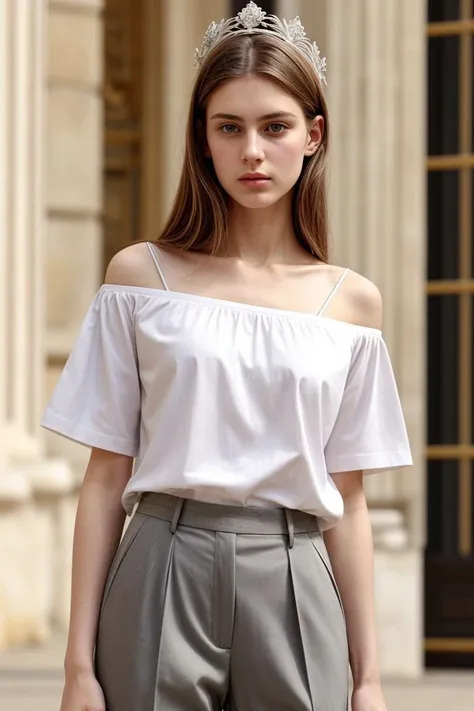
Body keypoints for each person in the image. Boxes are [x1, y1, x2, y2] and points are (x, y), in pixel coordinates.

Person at [42, 3, 413, 710]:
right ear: (202, 141)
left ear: (313, 135)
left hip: (296, 577)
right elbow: (104, 475)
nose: (252, 151)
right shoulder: (138, 280)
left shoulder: (351, 304)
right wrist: (76, 666)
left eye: (275, 127)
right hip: (159, 565)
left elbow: (351, 500)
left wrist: (369, 680)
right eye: (229, 127)